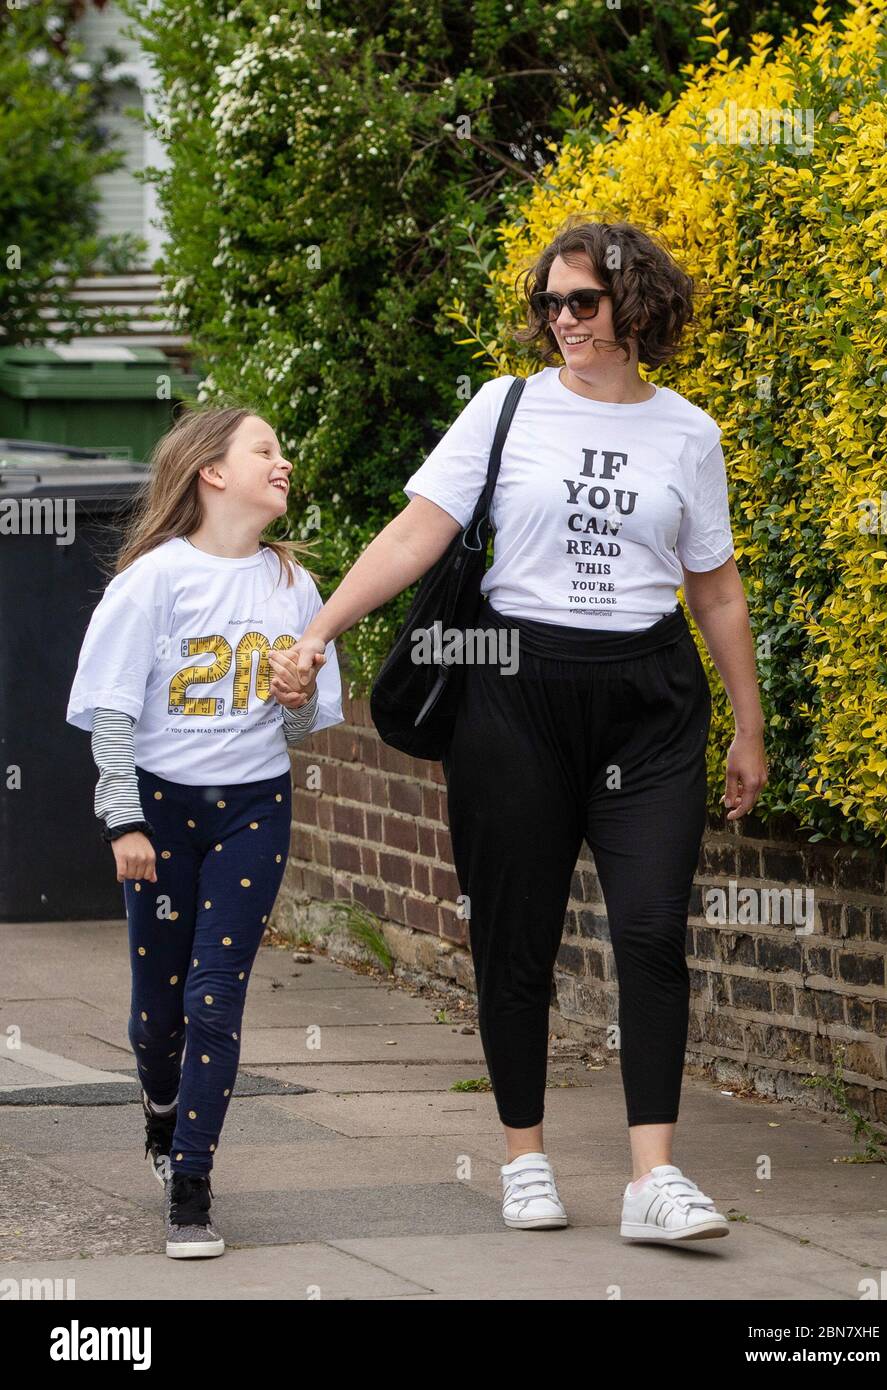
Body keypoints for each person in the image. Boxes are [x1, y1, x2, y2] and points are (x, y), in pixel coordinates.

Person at [276, 216, 769, 1244]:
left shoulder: (690, 431)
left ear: (636, 305)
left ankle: (654, 1178)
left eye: (581, 302)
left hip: (649, 695)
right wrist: (320, 631)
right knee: (517, 934)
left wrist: (747, 724)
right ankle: (525, 1155)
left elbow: (714, 588)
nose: (562, 321)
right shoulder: (505, 409)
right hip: (514, 690)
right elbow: (420, 530)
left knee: (649, 926)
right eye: (549, 304)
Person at [66, 406, 344, 1258]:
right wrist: (123, 820)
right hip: (158, 810)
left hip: (253, 808)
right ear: (211, 473)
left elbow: (302, 729)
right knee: (158, 1016)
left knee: (214, 996)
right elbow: (110, 712)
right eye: (266, 448)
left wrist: (296, 700)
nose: (284, 460)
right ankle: (158, 1109)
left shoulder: (293, 585)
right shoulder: (155, 580)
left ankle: (191, 1185)